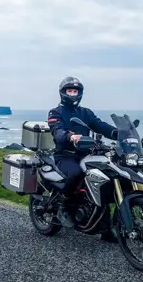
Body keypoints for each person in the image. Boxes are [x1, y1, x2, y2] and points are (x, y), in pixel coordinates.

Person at [47, 76, 118, 232]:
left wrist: (117, 133)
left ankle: (107, 228)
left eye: (75, 91)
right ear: (63, 93)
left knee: (108, 178)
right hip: (65, 155)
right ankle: (63, 207)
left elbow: (100, 125)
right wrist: (70, 136)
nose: (72, 94)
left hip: (87, 154)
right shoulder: (55, 113)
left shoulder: (85, 113)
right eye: (69, 91)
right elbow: (57, 131)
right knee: (76, 173)